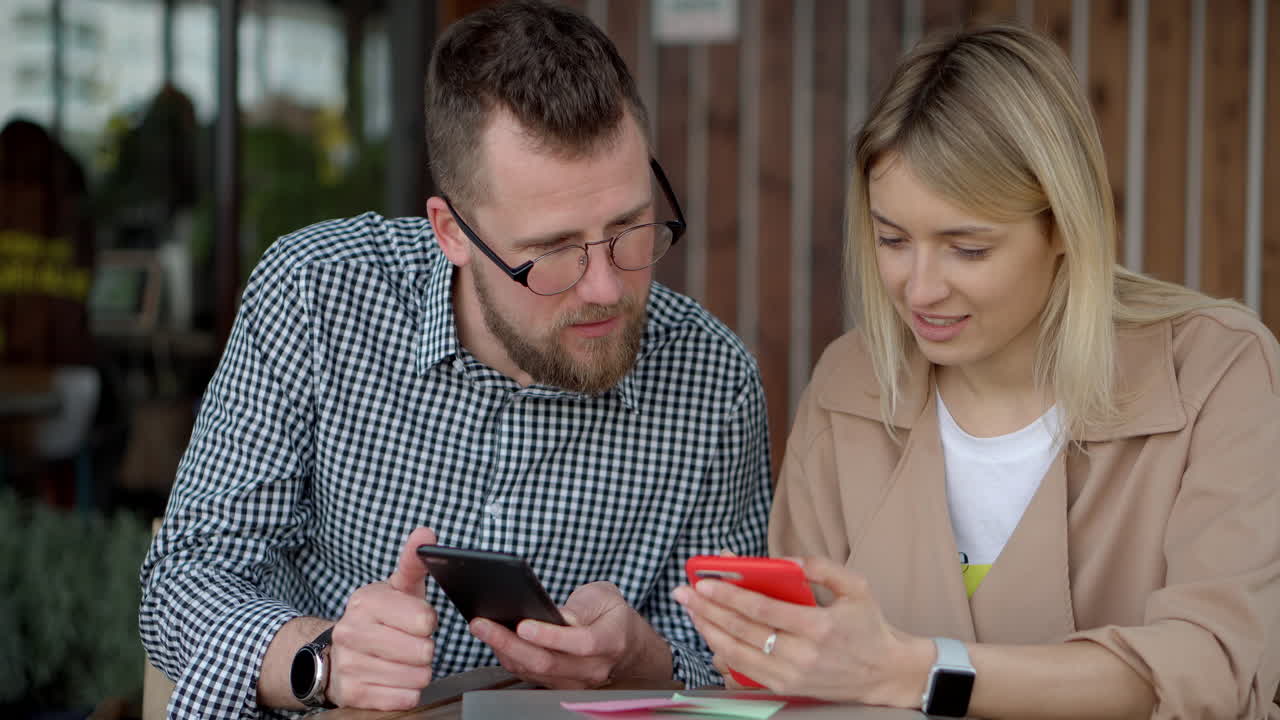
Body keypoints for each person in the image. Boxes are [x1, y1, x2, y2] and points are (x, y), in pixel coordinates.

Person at [139, 2, 772, 717]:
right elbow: (184, 581)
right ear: (452, 232)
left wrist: (640, 660)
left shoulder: (714, 381)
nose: (605, 288)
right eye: (555, 250)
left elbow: (742, 673)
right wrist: (326, 661)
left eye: (629, 229)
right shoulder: (317, 296)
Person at [674, 24, 1280, 719]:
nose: (920, 289)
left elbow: (1217, 666)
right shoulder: (849, 383)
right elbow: (789, 666)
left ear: (1062, 227)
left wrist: (921, 673)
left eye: (967, 248)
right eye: (892, 239)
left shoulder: (1221, 371)